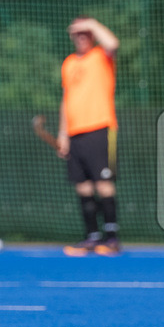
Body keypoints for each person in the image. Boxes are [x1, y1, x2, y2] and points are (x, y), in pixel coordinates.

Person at [59, 17, 122, 256]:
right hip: (75, 133)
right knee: (83, 187)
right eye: (78, 33)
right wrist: (63, 135)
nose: (82, 37)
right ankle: (92, 237)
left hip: (100, 128)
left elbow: (113, 43)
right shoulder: (68, 63)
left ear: (93, 35)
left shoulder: (101, 57)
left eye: (86, 33)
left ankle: (112, 238)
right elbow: (66, 101)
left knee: (103, 184)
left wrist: (92, 23)